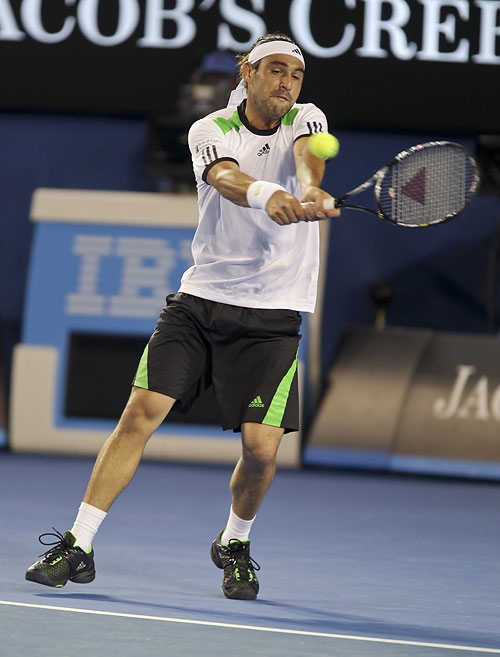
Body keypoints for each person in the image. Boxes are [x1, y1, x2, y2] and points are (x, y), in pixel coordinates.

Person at [25, 32, 340, 601]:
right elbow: (224, 177)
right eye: (274, 70)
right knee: (138, 415)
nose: (286, 83)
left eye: (295, 74)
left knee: (261, 451)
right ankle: (78, 543)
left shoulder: (307, 118)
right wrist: (269, 195)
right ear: (247, 73)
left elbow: (307, 157)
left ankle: (234, 542)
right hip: (199, 305)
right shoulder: (209, 129)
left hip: (272, 318)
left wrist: (311, 190)